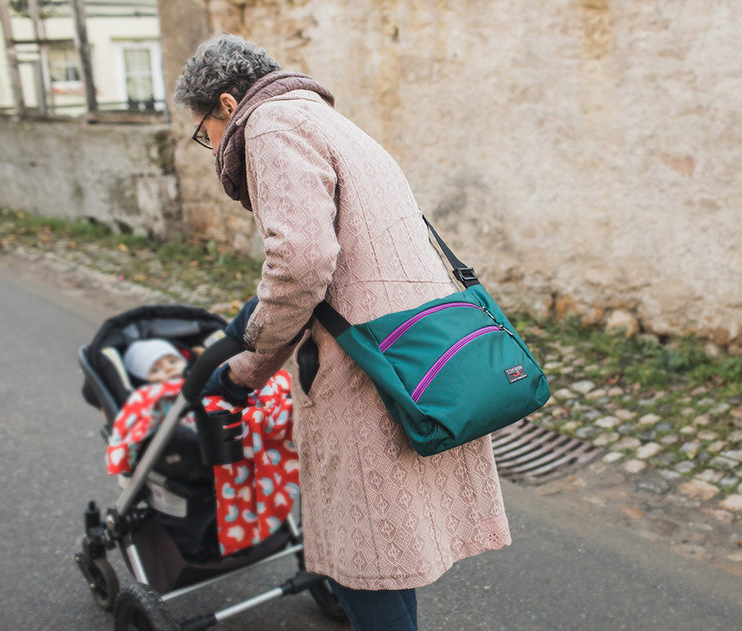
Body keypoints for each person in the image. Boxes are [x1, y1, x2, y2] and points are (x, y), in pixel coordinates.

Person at [174, 34, 511, 630]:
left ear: (228, 105)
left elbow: (301, 263)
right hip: (419, 352)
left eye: (205, 132)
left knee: (367, 554)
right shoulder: (330, 120)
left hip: (366, 367)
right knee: (391, 548)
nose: (212, 147)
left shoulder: (269, 126)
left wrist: (248, 368)